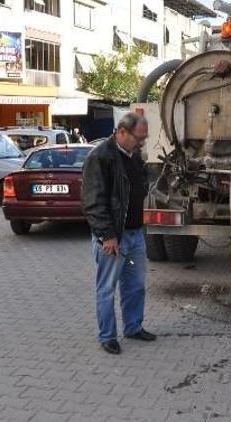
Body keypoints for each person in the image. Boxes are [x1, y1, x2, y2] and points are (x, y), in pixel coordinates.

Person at [82, 112, 156, 355]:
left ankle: (133, 327)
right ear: (122, 132)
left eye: (144, 139)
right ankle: (108, 336)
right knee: (107, 288)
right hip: (114, 239)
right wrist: (108, 235)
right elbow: (94, 202)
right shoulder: (100, 157)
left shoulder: (133, 155)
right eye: (139, 138)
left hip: (134, 236)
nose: (142, 143)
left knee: (135, 286)